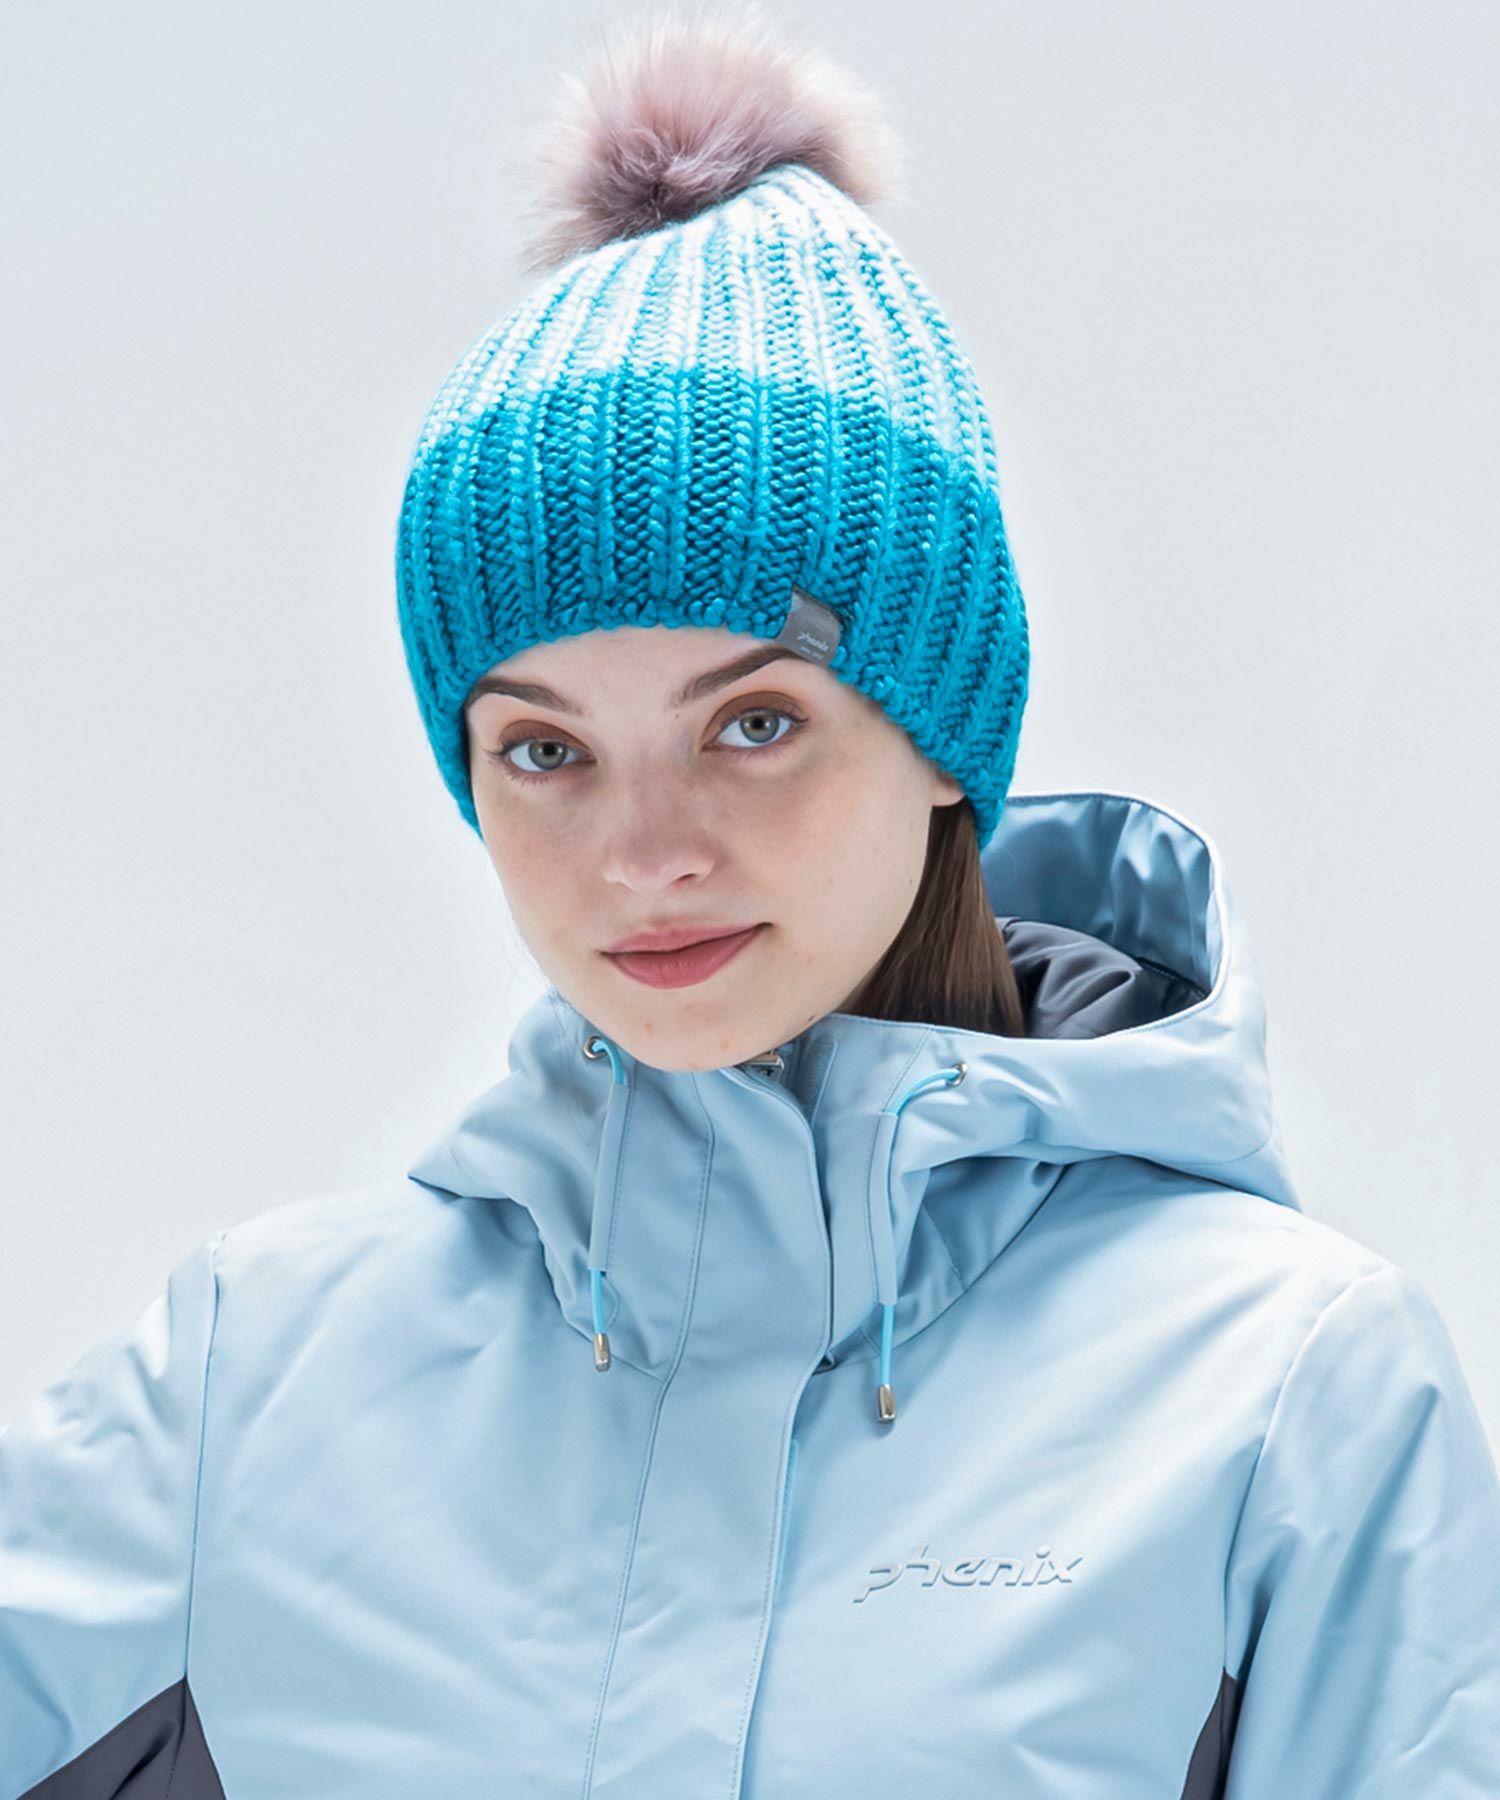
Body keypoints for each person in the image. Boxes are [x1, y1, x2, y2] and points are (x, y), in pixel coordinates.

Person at [4, 6, 1499, 1797]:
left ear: (942, 734)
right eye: (544, 750)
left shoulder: (1282, 1393)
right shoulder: (249, 1380)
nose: (644, 854)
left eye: (754, 723)